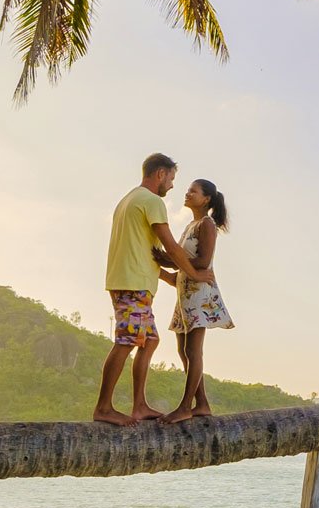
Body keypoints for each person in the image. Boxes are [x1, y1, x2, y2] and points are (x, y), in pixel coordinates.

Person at [95, 154, 202, 426]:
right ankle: (104, 407)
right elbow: (170, 246)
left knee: (149, 340)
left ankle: (139, 406)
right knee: (127, 340)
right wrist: (195, 273)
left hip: (132, 281)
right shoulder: (152, 201)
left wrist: (168, 278)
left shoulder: (129, 199)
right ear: (160, 174)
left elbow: (143, 250)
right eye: (172, 179)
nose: (173, 186)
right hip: (133, 284)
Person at [161, 177, 235, 423]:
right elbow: (180, 260)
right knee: (184, 350)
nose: (187, 193)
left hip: (199, 293)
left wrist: (170, 259)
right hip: (185, 293)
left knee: (193, 350)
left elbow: (203, 262)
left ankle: (185, 407)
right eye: (188, 190)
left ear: (206, 199)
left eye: (193, 191)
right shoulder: (190, 225)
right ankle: (201, 403)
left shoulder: (207, 225)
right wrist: (162, 260)